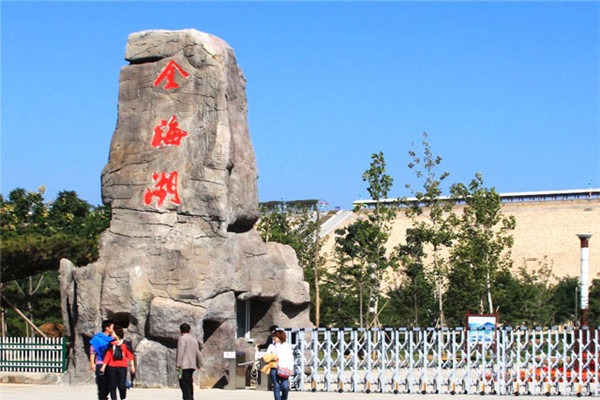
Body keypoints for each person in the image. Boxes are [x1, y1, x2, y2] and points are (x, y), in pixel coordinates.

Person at [101, 326, 135, 400]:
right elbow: (108, 355)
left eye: (112, 333)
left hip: (122, 367)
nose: (111, 335)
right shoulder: (111, 344)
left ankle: (123, 396)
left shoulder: (125, 344)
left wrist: (132, 366)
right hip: (111, 366)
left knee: (122, 386)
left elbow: (130, 356)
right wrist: (103, 366)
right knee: (112, 386)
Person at [90, 320, 117, 400]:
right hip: (100, 362)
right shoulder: (97, 338)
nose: (113, 329)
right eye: (112, 327)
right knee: (101, 383)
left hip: (110, 363)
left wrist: (115, 337)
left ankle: (105, 396)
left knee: (110, 383)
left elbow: (119, 344)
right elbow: (92, 351)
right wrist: (92, 364)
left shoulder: (112, 338)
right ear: (107, 328)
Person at [264, 330, 294, 400]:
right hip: (274, 367)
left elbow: (290, 357)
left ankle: (284, 398)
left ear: (281, 337)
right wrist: (272, 357)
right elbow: (266, 355)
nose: (274, 338)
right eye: (273, 336)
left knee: (285, 386)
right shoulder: (271, 346)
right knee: (276, 386)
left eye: (276, 336)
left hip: (284, 368)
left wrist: (290, 368)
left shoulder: (287, 346)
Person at [175, 323, 202, 400]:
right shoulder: (194, 340)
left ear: (180, 330)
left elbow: (180, 352)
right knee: (189, 383)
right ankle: (191, 397)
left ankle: (187, 398)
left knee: (183, 383)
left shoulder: (182, 339)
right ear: (190, 330)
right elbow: (198, 353)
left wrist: (178, 364)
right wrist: (199, 364)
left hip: (183, 366)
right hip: (192, 365)